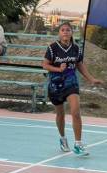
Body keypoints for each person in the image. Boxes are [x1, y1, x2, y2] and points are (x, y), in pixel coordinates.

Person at [41, 22, 102, 156]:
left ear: (71, 33)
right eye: (63, 30)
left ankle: (78, 144)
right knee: (60, 114)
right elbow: (44, 65)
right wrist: (58, 69)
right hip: (55, 84)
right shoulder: (52, 48)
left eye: (68, 30)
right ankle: (63, 139)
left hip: (71, 83)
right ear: (59, 33)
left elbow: (79, 64)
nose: (65, 32)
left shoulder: (76, 48)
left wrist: (91, 78)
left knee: (75, 112)